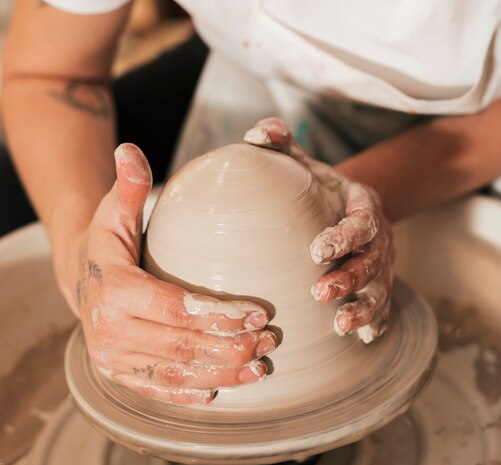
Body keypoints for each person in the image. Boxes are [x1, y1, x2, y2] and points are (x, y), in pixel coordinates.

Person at [2, 0, 501, 405]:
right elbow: (50, 72)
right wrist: (81, 259)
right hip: (267, 84)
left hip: (478, 126)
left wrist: (366, 190)